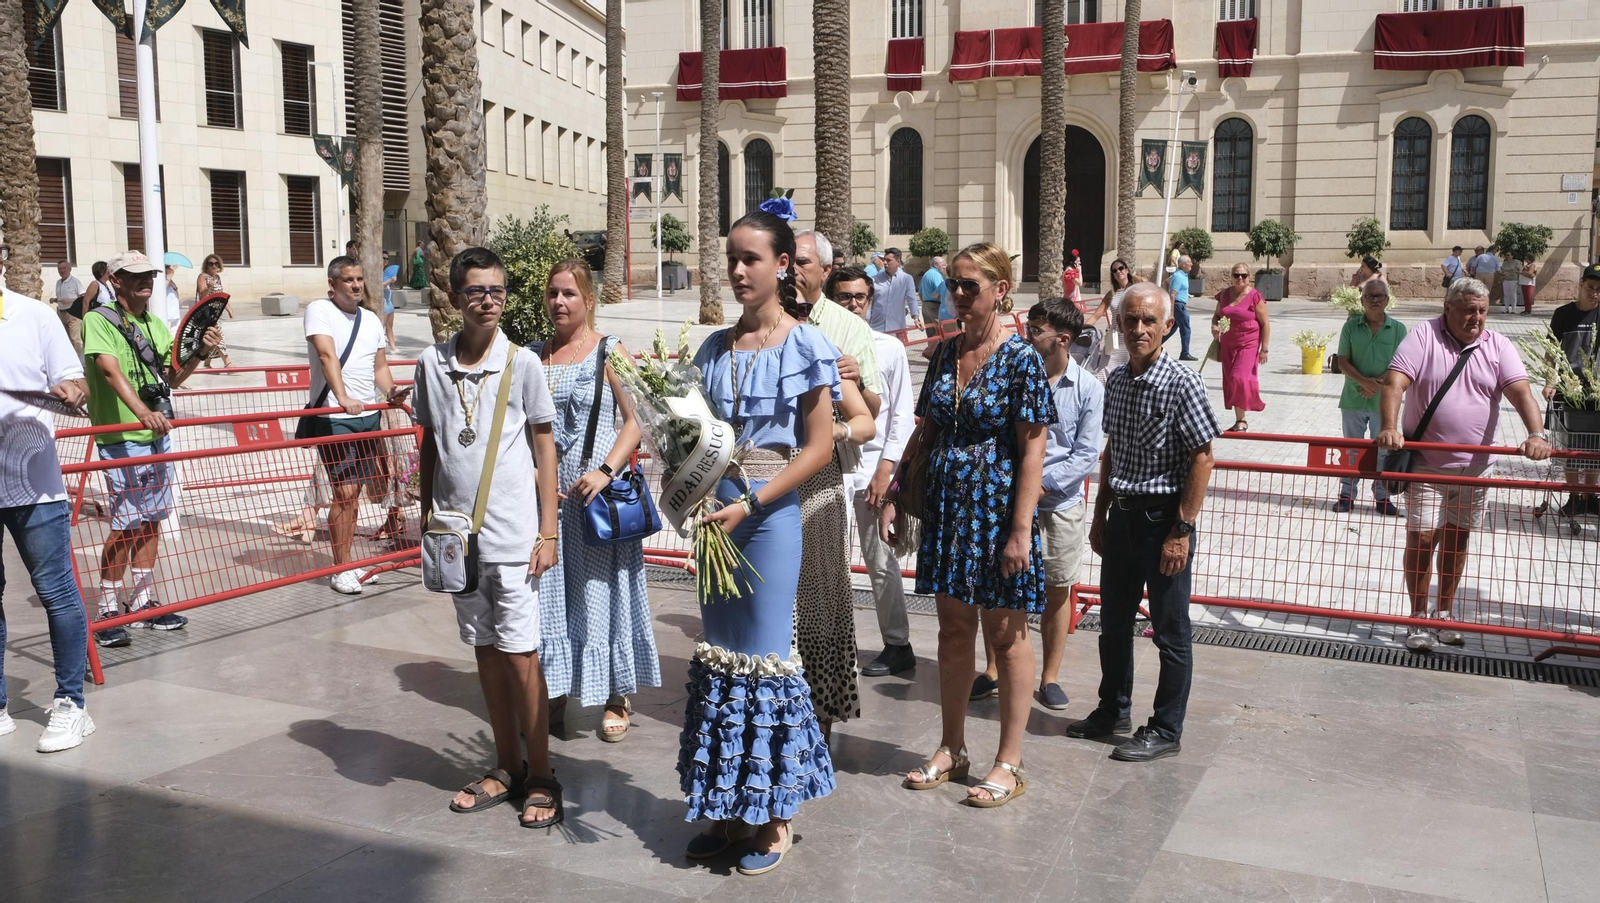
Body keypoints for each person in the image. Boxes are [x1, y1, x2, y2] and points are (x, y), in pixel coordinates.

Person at [682, 210, 839, 875]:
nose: (739, 270)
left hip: (770, 518)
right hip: (716, 517)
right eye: (732, 258)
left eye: (752, 258)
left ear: (783, 266)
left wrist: (751, 501)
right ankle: (726, 805)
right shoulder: (713, 348)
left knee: (765, 657)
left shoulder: (805, 344)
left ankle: (775, 818)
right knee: (721, 656)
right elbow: (690, 431)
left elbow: (821, 445)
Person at [882, 242, 1052, 808]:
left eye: (968, 285)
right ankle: (952, 747)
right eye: (953, 283)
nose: (956, 294)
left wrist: (1021, 531)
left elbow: (1033, 452)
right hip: (950, 514)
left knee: (1006, 637)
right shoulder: (946, 353)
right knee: (953, 631)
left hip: (999, 514)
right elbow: (926, 430)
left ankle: (1010, 761)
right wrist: (896, 491)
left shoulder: (1023, 360)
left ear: (1000, 291)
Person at [415, 246, 563, 828]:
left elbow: (545, 446)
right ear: (455, 298)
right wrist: (426, 513)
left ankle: (543, 772)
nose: (488, 301)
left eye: (497, 291)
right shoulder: (431, 363)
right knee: (483, 649)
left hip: (513, 537)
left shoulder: (521, 363)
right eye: (476, 291)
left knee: (521, 655)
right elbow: (432, 441)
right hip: (456, 538)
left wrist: (548, 530)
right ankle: (506, 766)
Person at [1075, 281, 1219, 761]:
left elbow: (1202, 457)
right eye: (1131, 319)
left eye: (1149, 321)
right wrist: (1100, 514)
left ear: (1168, 326)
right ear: (1118, 323)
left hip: (1163, 523)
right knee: (1113, 623)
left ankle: (1165, 729)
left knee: (1170, 631)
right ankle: (1112, 709)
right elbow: (1113, 450)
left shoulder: (1183, 382)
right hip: (1123, 519)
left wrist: (1182, 529)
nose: (1139, 329)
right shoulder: (1116, 381)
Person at [1377, 278, 1550, 651]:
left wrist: (1537, 434)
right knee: (1422, 541)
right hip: (1426, 466)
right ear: (1448, 308)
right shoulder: (1424, 336)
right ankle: (1418, 618)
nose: (1476, 318)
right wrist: (1390, 427)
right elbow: (1394, 384)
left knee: (1457, 542)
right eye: (1469, 310)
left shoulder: (1498, 345)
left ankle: (1444, 615)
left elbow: (1521, 392)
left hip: (1475, 471)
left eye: (1482, 311)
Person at [533, 259, 660, 742]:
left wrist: (606, 471)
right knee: (553, 598)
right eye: (552, 293)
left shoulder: (610, 351)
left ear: (589, 300)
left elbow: (638, 419)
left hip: (597, 502)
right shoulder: (533, 355)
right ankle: (557, 690)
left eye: (569, 293)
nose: (559, 302)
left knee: (603, 595)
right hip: (549, 503)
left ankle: (617, 693)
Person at [83, 251, 224, 647]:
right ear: (116, 280)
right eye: (136, 275)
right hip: (121, 438)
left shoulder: (155, 324)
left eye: (149, 274)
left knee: (151, 521)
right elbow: (109, 370)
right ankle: (108, 607)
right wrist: (143, 412)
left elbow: (173, 377)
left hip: (157, 436)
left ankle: (143, 601)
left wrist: (200, 351)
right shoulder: (99, 320)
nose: (146, 280)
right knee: (125, 524)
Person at [971, 299, 1103, 710]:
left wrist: (1038, 487)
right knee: (996, 585)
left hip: (1058, 505)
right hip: (1006, 501)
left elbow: (1086, 453)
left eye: (1037, 329)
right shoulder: (1011, 376)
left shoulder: (1089, 389)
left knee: (1057, 590)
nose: (1028, 334)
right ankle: (994, 668)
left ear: (1063, 339)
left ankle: (1049, 677)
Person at [0, 260, 96, 752]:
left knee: (55, 590)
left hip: (33, 481)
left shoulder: (33, 316)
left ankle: (71, 704)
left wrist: (70, 390)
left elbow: (73, 381)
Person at [785, 233, 877, 736]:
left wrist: (831, 431)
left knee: (820, 599)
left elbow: (867, 417)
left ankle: (820, 706)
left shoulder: (827, 339)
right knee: (776, 606)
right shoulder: (736, 344)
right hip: (762, 486)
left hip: (818, 485)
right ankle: (774, 708)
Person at [829, 267, 917, 678]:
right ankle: (830, 645)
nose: (853, 304)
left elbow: (901, 416)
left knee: (881, 560)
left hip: (871, 472)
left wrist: (887, 472)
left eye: (860, 296)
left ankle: (897, 644)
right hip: (826, 470)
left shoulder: (889, 349)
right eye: (845, 296)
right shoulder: (813, 344)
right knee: (826, 563)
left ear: (871, 300)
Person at [304, 256, 400, 595]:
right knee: (343, 492)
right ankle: (340, 568)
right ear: (333, 284)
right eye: (348, 280)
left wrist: (394, 392)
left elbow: (379, 367)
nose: (356, 285)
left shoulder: (372, 319)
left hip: (367, 416)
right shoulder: (320, 310)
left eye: (359, 278)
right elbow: (327, 355)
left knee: (355, 493)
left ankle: (346, 562)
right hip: (333, 416)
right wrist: (342, 397)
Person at [794, 229, 882, 417]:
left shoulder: (853, 327)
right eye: (786, 261)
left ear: (825, 270)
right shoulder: (763, 321)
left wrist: (857, 383)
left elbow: (873, 411)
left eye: (802, 262)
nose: (792, 269)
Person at [1335, 280, 1406, 514]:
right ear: (1362, 300)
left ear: (1387, 300)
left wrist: (1375, 385)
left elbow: (1401, 365)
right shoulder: (1350, 327)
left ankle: (1383, 497)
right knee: (1351, 450)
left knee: (1384, 450)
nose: (1375, 300)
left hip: (1385, 403)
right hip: (1353, 399)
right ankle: (1347, 495)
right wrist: (1364, 382)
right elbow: (1342, 361)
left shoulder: (1398, 329)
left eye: (1379, 296)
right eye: (1369, 296)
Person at [1545, 264, 1600, 515]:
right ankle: (1574, 496)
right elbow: (1551, 353)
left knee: (1594, 446)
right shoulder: (1563, 314)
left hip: (1596, 392)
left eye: (1599, 290)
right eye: (1590, 288)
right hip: (1568, 390)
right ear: (1580, 285)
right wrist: (1549, 381)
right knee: (1570, 446)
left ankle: (1590, 496)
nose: (1594, 294)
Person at [1212, 264, 1270, 432]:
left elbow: (1265, 323)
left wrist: (1264, 349)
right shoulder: (1224, 295)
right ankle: (1239, 419)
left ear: (1249, 277)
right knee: (1231, 380)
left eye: (1244, 275)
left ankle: (1242, 419)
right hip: (1228, 344)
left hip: (1249, 343)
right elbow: (1217, 316)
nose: (1240, 279)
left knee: (1239, 377)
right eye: (1236, 275)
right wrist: (1214, 327)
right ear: (1231, 276)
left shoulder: (1254, 296)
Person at [1085, 257, 1133, 384]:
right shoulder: (1112, 293)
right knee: (1104, 369)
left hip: (1129, 336)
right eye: (1114, 270)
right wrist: (1082, 328)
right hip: (1114, 337)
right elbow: (1096, 315)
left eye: (1121, 268)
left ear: (1127, 270)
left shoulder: (1135, 290)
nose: (1118, 272)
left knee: (1127, 371)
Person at [196, 255, 234, 368]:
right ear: (206, 265)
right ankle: (228, 363)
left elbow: (220, 295)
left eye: (216, 263)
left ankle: (207, 362)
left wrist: (229, 309)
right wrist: (209, 287)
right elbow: (202, 296)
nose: (213, 265)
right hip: (207, 312)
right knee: (218, 335)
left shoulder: (217, 277)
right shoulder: (202, 277)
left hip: (217, 312)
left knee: (211, 336)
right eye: (210, 263)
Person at [870, 248, 919, 335]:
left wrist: (916, 318)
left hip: (897, 328)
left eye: (888, 260)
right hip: (877, 328)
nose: (885, 262)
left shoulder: (906, 279)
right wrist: (866, 321)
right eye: (884, 260)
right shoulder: (875, 279)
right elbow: (869, 302)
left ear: (898, 261)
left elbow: (912, 299)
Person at [1165, 255, 1196, 361]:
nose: (1191, 264)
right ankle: (1185, 353)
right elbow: (1172, 295)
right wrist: (1171, 312)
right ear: (1183, 264)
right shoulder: (1178, 276)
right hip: (1178, 306)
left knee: (1171, 330)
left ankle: (1153, 346)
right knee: (1186, 329)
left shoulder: (1180, 275)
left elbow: (1166, 281)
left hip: (1179, 305)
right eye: (1189, 262)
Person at [53, 260, 84, 354]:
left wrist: (69, 300)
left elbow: (83, 296)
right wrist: (55, 299)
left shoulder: (75, 282)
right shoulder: (58, 282)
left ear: (70, 269)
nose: (62, 270)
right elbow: (62, 298)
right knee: (65, 338)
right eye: (60, 269)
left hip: (73, 313)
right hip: (61, 313)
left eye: (64, 268)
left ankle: (79, 361)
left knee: (75, 339)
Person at [920, 254, 949, 336]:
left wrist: (925, 304)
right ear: (935, 264)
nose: (944, 266)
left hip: (926, 305)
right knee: (939, 331)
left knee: (930, 332)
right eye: (943, 264)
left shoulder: (927, 274)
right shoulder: (935, 275)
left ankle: (931, 348)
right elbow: (940, 292)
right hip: (934, 306)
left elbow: (920, 293)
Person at [1468, 245, 1503, 310]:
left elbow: (1473, 266)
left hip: (1479, 274)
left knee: (1477, 290)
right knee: (1487, 291)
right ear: (1494, 250)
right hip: (1490, 274)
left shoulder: (1481, 256)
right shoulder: (1495, 258)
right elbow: (1498, 270)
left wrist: (1475, 273)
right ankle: (1485, 308)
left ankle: (1476, 306)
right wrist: (1503, 274)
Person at [382, 251, 401, 354]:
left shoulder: (386, 272)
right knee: (382, 327)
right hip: (382, 303)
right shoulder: (376, 272)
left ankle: (393, 347)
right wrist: (389, 281)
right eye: (383, 258)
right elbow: (377, 287)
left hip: (389, 302)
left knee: (389, 326)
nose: (385, 260)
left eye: (387, 259)